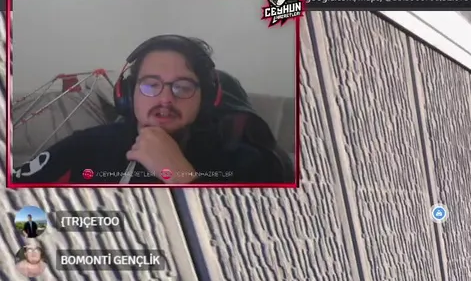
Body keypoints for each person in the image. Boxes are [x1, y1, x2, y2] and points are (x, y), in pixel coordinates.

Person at [10, 35, 293, 186]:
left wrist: (182, 178)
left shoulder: (249, 163)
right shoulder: (86, 146)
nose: (165, 99)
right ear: (126, 94)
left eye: (182, 87)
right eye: (150, 85)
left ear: (207, 99)